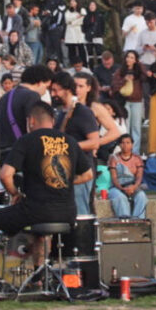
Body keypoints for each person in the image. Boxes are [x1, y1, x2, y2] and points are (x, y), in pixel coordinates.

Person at [0, 102, 90, 266]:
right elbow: (88, 174)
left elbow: (5, 175)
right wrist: (61, 181)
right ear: (52, 121)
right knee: (41, 234)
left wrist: (15, 193)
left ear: (30, 121)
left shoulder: (27, 140)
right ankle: (40, 279)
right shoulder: (70, 141)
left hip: (36, 209)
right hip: (67, 212)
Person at [50, 72, 100, 215]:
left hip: (82, 172)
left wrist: (68, 146)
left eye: (56, 90)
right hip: (64, 171)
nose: (53, 94)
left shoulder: (83, 112)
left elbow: (94, 142)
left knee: (81, 215)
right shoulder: (61, 113)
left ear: (67, 89)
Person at [108, 133, 147, 219]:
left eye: (128, 142)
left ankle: (138, 221)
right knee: (120, 197)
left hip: (133, 186)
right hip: (116, 187)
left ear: (132, 144)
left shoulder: (137, 159)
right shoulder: (114, 158)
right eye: (123, 143)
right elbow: (114, 178)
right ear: (119, 145)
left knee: (141, 196)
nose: (125, 145)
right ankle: (125, 222)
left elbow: (139, 177)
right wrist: (122, 188)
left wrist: (133, 187)